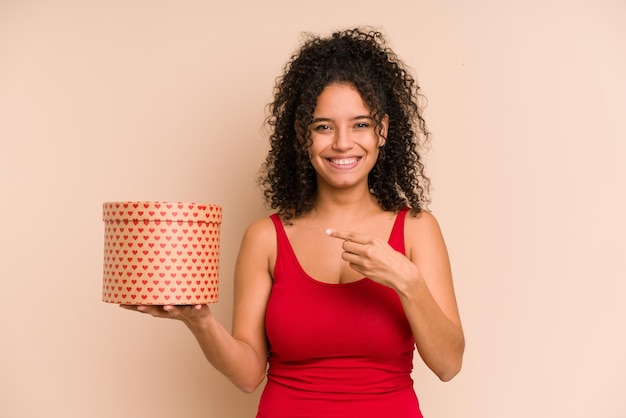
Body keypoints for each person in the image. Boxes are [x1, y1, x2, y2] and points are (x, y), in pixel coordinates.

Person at [123, 27, 464, 418]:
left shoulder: (418, 230)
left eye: (360, 124)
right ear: (303, 134)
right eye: (323, 126)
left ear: (382, 130)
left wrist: (407, 281)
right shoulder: (265, 238)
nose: (341, 142)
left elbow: (448, 364)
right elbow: (249, 376)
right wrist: (199, 321)